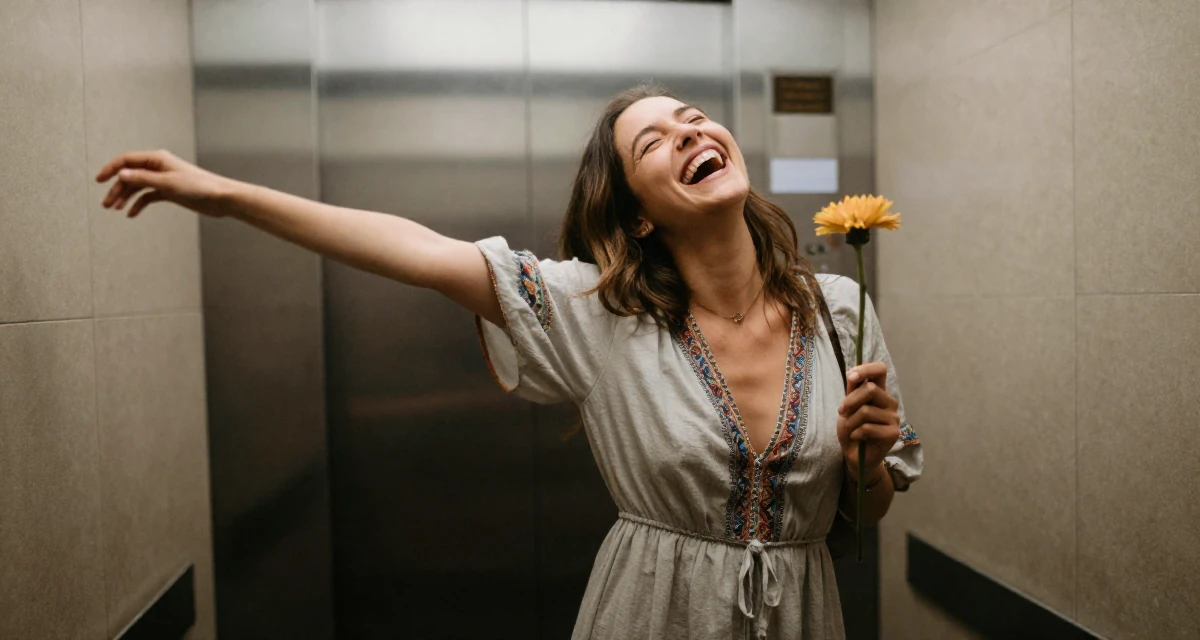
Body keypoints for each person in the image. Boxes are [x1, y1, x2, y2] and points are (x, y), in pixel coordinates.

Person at [96, 84, 922, 640]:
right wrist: (226, 195)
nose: (691, 133)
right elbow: (418, 251)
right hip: (650, 616)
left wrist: (871, 459)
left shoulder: (839, 312)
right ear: (636, 217)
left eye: (695, 118)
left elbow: (864, 512)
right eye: (654, 143)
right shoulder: (599, 312)